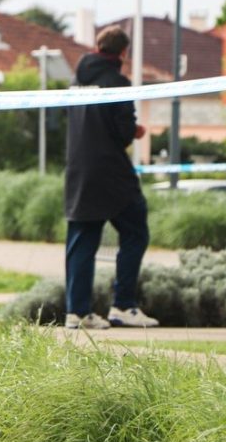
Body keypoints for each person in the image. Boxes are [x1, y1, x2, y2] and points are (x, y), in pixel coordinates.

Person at [63, 25, 158, 330]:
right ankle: (123, 305)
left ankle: (76, 313)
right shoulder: (117, 82)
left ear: (97, 46)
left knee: (82, 241)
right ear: (123, 53)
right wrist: (135, 131)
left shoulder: (76, 81)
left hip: (79, 171)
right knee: (136, 232)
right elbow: (121, 132)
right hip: (112, 174)